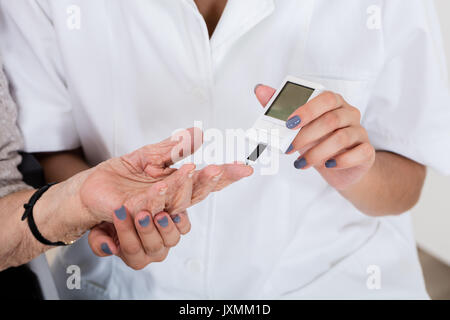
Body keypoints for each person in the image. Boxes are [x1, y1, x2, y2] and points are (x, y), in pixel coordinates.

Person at [1, 0, 449, 299]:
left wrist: (359, 173)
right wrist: (117, 214)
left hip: (333, 281)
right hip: (128, 284)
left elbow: (405, 185)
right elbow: (54, 153)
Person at [0, 59, 252, 286]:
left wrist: (76, 202)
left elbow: (6, 178)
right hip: (111, 281)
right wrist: (74, 205)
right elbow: (49, 142)